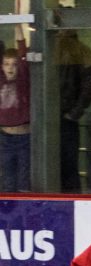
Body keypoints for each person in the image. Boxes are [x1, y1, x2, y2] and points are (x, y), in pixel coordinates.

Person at [54, 30, 91, 193]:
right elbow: (89, 85)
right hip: (68, 117)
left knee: (52, 165)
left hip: (52, 116)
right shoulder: (83, 51)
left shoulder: (49, 48)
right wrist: (74, 113)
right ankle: (70, 199)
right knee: (70, 166)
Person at [0, 24, 30, 192]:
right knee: (7, 181)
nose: (10, 68)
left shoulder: (23, 81)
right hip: (5, 137)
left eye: (14, 64)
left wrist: (18, 27)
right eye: (6, 64)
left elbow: (23, 52)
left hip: (24, 136)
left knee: (24, 181)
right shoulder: (1, 80)